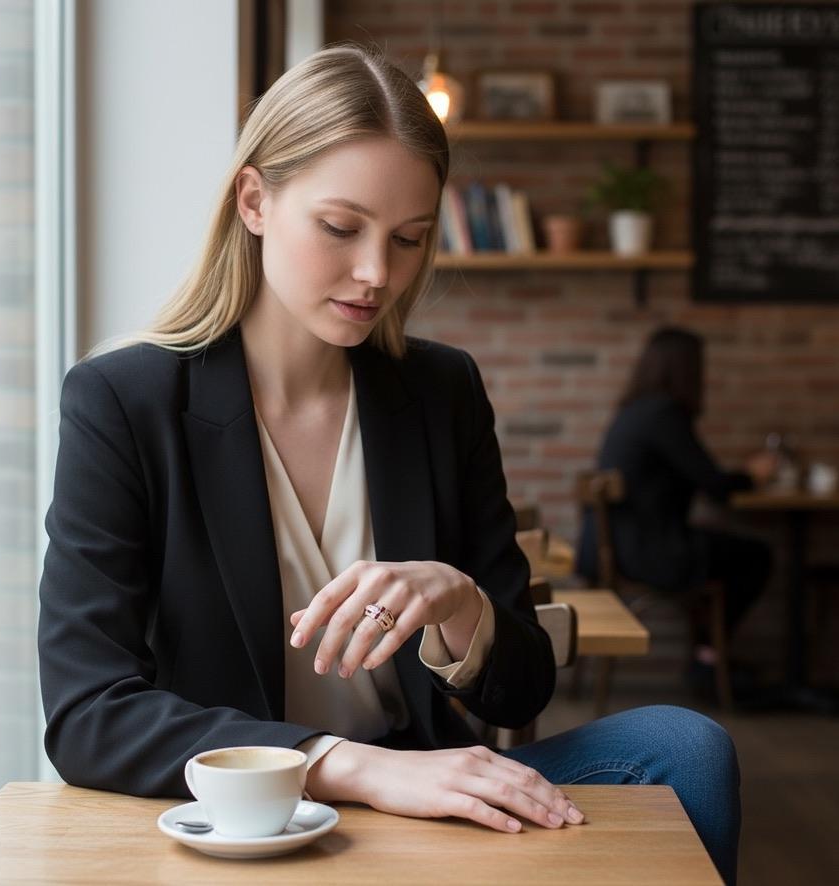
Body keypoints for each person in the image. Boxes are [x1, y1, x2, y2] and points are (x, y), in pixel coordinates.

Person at [38, 46, 741, 884]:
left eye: (409, 239)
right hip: (252, 818)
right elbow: (87, 711)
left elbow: (518, 694)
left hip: (426, 790)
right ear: (255, 200)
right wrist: (351, 765)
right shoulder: (124, 400)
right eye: (341, 228)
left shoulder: (442, 390)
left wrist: (464, 609)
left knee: (684, 746)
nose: (377, 274)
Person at [577, 326, 775, 685]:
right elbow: (714, 485)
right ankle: (708, 657)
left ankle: (706, 654)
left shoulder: (634, 411)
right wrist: (754, 474)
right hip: (649, 552)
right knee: (755, 556)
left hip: (614, 548)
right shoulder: (664, 414)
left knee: (733, 555)